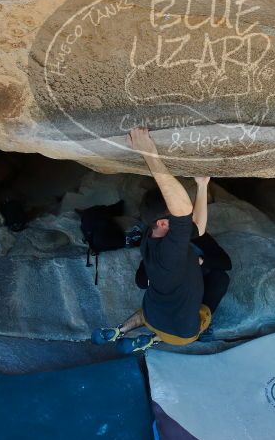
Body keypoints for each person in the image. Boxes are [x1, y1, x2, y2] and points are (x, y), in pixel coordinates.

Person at [91, 127, 223, 354]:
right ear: (162, 222)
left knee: (152, 311)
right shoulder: (171, 251)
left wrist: (202, 186)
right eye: (176, 216)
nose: (185, 216)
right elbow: (183, 212)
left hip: (154, 313)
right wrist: (149, 153)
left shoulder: (150, 236)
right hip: (182, 333)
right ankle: (155, 340)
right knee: (207, 307)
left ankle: (119, 331)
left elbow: (196, 229)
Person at [134, 182, 231, 341]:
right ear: (163, 223)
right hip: (175, 295)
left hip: (195, 279)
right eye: (182, 214)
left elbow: (226, 263)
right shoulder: (157, 245)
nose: (187, 216)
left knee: (221, 279)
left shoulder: (193, 237)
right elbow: (142, 280)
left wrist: (200, 261)